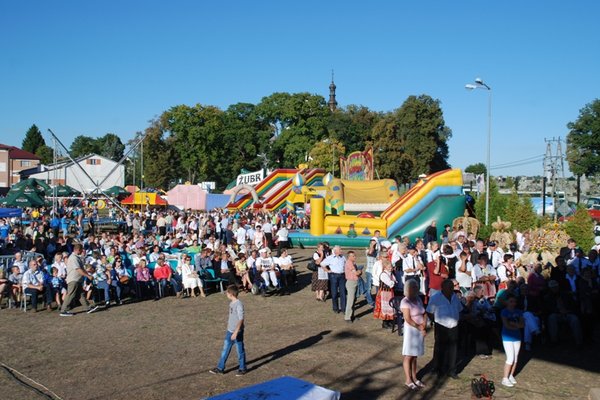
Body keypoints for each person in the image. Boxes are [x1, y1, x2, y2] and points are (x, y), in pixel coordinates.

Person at [426, 279, 463, 379]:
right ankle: (438, 369)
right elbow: (429, 311)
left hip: (454, 325)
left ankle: (452, 370)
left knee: (453, 348)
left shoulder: (455, 297)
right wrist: (434, 321)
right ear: (443, 288)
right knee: (440, 348)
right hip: (441, 325)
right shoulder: (435, 298)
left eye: (452, 287)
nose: (452, 289)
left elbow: (459, 309)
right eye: (450, 287)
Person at [209, 285, 247, 376]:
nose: (226, 294)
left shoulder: (239, 304)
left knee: (240, 350)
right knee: (225, 350)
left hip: (237, 332)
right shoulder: (231, 303)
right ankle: (220, 368)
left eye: (227, 292)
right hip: (230, 331)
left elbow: (241, 319)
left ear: (231, 294)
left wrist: (236, 332)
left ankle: (242, 368)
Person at [401, 279, 427, 390]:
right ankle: (408, 379)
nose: (415, 289)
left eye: (416, 287)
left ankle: (415, 377)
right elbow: (407, 318)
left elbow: (424, 312)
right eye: (413, 287)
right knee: (409, 355)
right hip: (411, 330)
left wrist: (424, 323)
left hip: (420, 329)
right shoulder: (405, 301)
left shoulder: (418, 299)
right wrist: (418, 326)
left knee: (415, 355)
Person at [60, 243, 98, 316]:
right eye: (81, 250)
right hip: (73, 279)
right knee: (71, 294)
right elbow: (78, 269)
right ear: (77, 250)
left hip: (77, 279)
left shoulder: (76, 257)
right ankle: (63, 310)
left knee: (81, 295)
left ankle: (88, 307)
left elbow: (81, 269)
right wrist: (88, 276)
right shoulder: (73, 258)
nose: (82, 251)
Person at [500, 294, 524, 387]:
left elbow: (522, 324)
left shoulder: (519, 311)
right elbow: (506, 325)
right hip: (507, 337)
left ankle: (510, 375)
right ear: (506, 302)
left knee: (515, 358)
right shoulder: (504, 311)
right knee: (510, 358)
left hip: (517, 337)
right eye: (511, 301)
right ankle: (505, 378)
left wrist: (514, 325)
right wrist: (516, 325)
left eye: (514, 302)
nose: (513, 303)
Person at [321, 245, 347, 314]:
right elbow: (322, 264)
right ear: (335, 251)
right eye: (340, 250)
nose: (341, 251)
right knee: (334, 293)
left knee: (343, 293)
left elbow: (346, 264)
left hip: (342, 276)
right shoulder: (330, 258)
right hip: (334, 276)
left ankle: (344, 309)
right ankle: (335, 308)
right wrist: (327, 270)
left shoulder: (343, 257)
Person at [374, 259, 396, 328]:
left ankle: (389, 321)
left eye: (391, 267)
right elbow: (390, 283)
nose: (391, 268)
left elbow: (395, 281)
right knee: (384, 307)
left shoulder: (391, 274)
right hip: (384, 292)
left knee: (390, 306)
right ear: (385, 267)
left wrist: (393, 282)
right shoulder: (384, 274)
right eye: (389, 267)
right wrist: (393, 282)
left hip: (389, 292)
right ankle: (385, 323)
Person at [344, 251, 362, 323]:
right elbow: (356, 273)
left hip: (354, 282)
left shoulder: (352, 263)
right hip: (351, 282)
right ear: (349, 257)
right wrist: (360, 271)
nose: (355, 257)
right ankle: (347, 317)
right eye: (353, 256)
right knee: (350, 300)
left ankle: (351, 315)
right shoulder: (349, 263)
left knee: (354, 300)